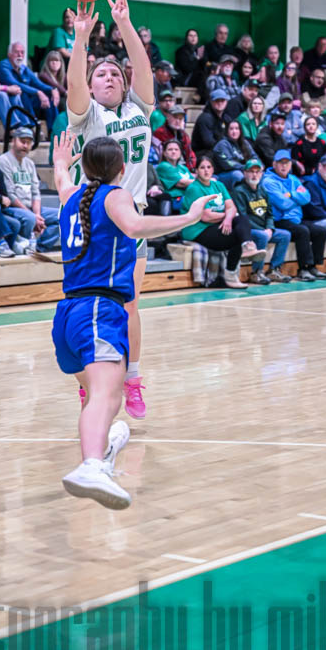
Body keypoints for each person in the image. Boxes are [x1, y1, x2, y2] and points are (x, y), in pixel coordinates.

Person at [51, 132, 213, 508]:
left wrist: (61, 162)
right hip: (99, 311)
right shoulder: (116, 195)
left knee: (103, 398)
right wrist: (190, 217)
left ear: (85, 167)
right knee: (106, 396)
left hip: (68, 315)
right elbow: (135, 227)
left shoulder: (71, 196)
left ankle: (104, 449)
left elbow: (60, 177)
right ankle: (91, 465)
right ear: (122, 169)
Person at [67, 0, 153, 420]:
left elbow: (142, 67)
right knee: (86, 307)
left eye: (115, 73)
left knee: (129, 304)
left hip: (130, 217)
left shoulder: (140, 109)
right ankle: (91, 384)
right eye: (100, 74)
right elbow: (74, 84)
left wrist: (124, 24)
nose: (109, 77)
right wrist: (81, 39)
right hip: (92, 218)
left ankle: (131, 378)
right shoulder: (86, 117)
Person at [180, 154, 264, 289]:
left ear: (213, 170)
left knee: (242, 219)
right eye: (202, 168)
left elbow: (232, 207)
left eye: (209, 167)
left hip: (215, 224)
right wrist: (227, 216)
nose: (206, 171)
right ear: (196, 171)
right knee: (237, 234)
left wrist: (229, 218)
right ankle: (231, 275)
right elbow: (206, 216)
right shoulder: (194, 188)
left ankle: (247, 246)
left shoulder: (218, 185)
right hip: (197, 229)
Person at [262, 150, 326, 282]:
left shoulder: (293, 179)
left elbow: (307, 197)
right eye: (280, 163)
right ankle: (303, 269)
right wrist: (297, 199)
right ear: (274, 164)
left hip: (296, 219)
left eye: (287, 163)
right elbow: (283, 204)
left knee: (320, 231)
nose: (284, 166)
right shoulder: (268, 181)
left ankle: (313, 267)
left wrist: (291, 194)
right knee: (302, 231)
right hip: (278, 220)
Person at [0, 126, 60, 251]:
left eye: (29, 142)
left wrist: (37, 214)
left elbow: (36, 193)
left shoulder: (30, 163)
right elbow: (10, 195)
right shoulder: (3, 161)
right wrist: (33, 216)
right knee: (29, 218)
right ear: (13, 140)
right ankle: (23, 248)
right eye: (22, 141)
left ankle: (40, 248)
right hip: (11, 208)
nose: (25, 145)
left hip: (30, 208)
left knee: (62, 215)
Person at [231, 158, 292, 284]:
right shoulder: (239, 191)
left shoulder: (262, 190)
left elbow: (269, 214)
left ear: (261, 174)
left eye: (257, 172)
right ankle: (256, 272)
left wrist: (270, 228)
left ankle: (274, 270)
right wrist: (263, 230)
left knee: (285, 235)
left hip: (263, 229)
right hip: (247, 231)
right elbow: (242, 217)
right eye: (251, 171)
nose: (254, 175)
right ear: (244, 173)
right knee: (262, 236)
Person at [0, 42, 59, 130]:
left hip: (27, 101)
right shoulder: (3, 65)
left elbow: (38, 83)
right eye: (16, 52)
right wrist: (38, 92)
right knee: (23, 93)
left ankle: (54, 131)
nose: (20, 55)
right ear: (9, 54)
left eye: (22, 52)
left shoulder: (24, 68)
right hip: (12, 100)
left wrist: (52, 89)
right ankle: (32, 126)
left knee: (50, 97)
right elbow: (14, 83)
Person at [212, 120, 255, 191]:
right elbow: (229, 164)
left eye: (237, 128)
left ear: (240, 131)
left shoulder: (244, 142)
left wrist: (258, 165)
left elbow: (254, 156)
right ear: (227, 131)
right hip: (222, 174)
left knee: (260, 174)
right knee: (238, 175)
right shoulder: (222, 144)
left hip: (243, 170)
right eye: (231, 129)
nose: (234, 131)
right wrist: (247, 168)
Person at [156, 139, 195, 210]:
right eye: (170, 149)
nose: (173, 152)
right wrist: (206, 181)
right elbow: (181, 183)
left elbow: (194, 183)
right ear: (164, 153)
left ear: (180, 153)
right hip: (175, 200)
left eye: (176, 149)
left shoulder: (183, 168)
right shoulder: (163, 166)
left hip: (188, 196)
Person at [154, 103, 196, 169]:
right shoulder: (160, 133)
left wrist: (190, 169)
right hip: (166, 167)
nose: (178, 121)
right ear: (168, 117)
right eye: (175, 117)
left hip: (183, 167)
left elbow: (190, 154)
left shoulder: (184, 135)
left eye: (180, 118)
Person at [191, 89, 229, 155]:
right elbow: (208, 143)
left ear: (226, 102)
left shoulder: (226, 118)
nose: (220, 103)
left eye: (222, 100)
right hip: (203, 153)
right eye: (217, 100)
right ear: (211, 102)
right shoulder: (205, 118)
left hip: (218, 150)